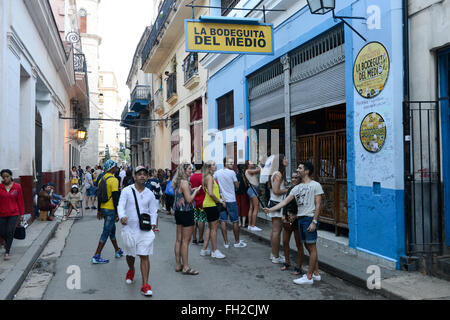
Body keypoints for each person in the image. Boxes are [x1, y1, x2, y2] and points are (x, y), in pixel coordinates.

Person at [264, 161, 323, 285]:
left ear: (306, 171)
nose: (297, 169)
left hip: (309, 218)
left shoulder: (315, 185)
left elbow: (318, 205)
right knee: (309, 247)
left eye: (300, 168)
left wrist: (314, 221)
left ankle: (308, 277)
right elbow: (284, 202)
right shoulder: (296, 188)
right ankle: (316, 274)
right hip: (301, 219)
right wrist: (271, 209)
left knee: (311, 247)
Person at [118, 166, 158, 296]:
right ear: (134, 177)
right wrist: (122, 216)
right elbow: (121, 205)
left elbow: (153, 211)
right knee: (130, 254)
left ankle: (145, 285)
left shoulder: (150, 194)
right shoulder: (126, 191)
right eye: (139, 174)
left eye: (144, 174)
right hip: (129, 229)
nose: (142, 176)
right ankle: (131, 269)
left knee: (144, 255)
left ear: (147, 177)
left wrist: (153, 223)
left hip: (144, 230)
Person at [92, 159, 124, 264]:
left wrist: (99, 210)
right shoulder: (114, 180)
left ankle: (117, 250)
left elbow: (99, 196)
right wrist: (117, 212)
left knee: (111, 231)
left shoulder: (102, 179)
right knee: (106, 232)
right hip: (110, 209)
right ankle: (96, 255)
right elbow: (115, 198)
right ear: (112, 168)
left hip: (103, 208)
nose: (116, 168)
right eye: (115, 166)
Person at [172, 162, 201, 275]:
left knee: (178, 240)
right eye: (189, 169)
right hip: (186, 212)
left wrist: (192, 189)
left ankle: (179, 265)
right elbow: (189, 200)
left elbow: (183, 194)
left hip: (178, 212)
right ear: (184, 170)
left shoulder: (178, 182)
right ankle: (186, 267)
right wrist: (196, 191)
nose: (191, 171)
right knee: (185, 241)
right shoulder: (184, 182)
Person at [214, 158, 247, 249]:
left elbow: (213, 183)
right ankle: (237, 242)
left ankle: (226, 243)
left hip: (222, 200)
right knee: (235, 221)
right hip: (231, 200)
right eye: (230, 162)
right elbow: (237, 185)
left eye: (232, 162)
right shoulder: (232, 173)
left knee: (223, 221)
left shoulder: (217, 173)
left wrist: (220, 193)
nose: (232, 164)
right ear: (225, 163)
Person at [200, 161, 226, 259]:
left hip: (208, 204)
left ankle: (204, 249)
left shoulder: (207, 177)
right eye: (214, 164)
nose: (216, 166)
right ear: (209, 167)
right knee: (214, 229)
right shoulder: (210, 178)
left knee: (210, 228)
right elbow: (211, 193)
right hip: (211, 205)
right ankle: (214, 250)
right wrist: (220, 201)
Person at [266, 154, 289, 264]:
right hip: (277, 204)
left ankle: (273, 253)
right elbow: (276, 191)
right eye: (284, 158)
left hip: (275, 203)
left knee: (275, 231)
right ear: (280, 161)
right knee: (276, 231)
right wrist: (288, 190)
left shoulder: (277, 173)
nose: (286, 160)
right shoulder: (278, 174)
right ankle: (275, 256)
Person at [280, 171, 304, 275]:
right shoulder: (291, 189)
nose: (294, 179)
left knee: (299, 244)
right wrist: (284, 216)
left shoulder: (302, 190)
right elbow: (285, 203)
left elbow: (304, 207)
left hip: (298, 220)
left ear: (300, 179)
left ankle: (299, 267)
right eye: (293, 177)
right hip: (288, 220)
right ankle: (287, 262)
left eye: (296, 178)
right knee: (285, 241)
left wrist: (296, 216)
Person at [0, 169, 25, 260]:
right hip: (1, 213)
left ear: (11, 176)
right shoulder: (0, 187)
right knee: (2, 232)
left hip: (14, 213)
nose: (5, 178)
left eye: (7, 176)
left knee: (10, 232)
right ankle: (7, 242)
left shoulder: (17, 187)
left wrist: (22, 214)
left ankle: (7, 252)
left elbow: (20, 201)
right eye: (3, 177)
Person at [190, 163, 207, 245]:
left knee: (194, 220)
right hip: (202, 200)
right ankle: (200, 239)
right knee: (202, 220)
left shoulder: (191, 176)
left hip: (193, 200)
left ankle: (194, 239)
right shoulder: (203, 176)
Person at [245, 160, 262, 231]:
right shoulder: (248, 171)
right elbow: (259, 170)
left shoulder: (249, 170)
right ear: (248, 165)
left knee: (251, 207)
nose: (252, 163)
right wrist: (260, 163)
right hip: (253, 189)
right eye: (251, 162)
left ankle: (249, 225)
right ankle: (253, 225)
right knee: (256, 207)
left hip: (252, 189)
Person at [236, 164, 250, 228]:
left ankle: (239, 223)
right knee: (244, 208)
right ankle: (244, 224)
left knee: (238, 207)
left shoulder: (236, 175)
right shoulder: (245, 176)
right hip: (244, 194)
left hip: (237, 194)